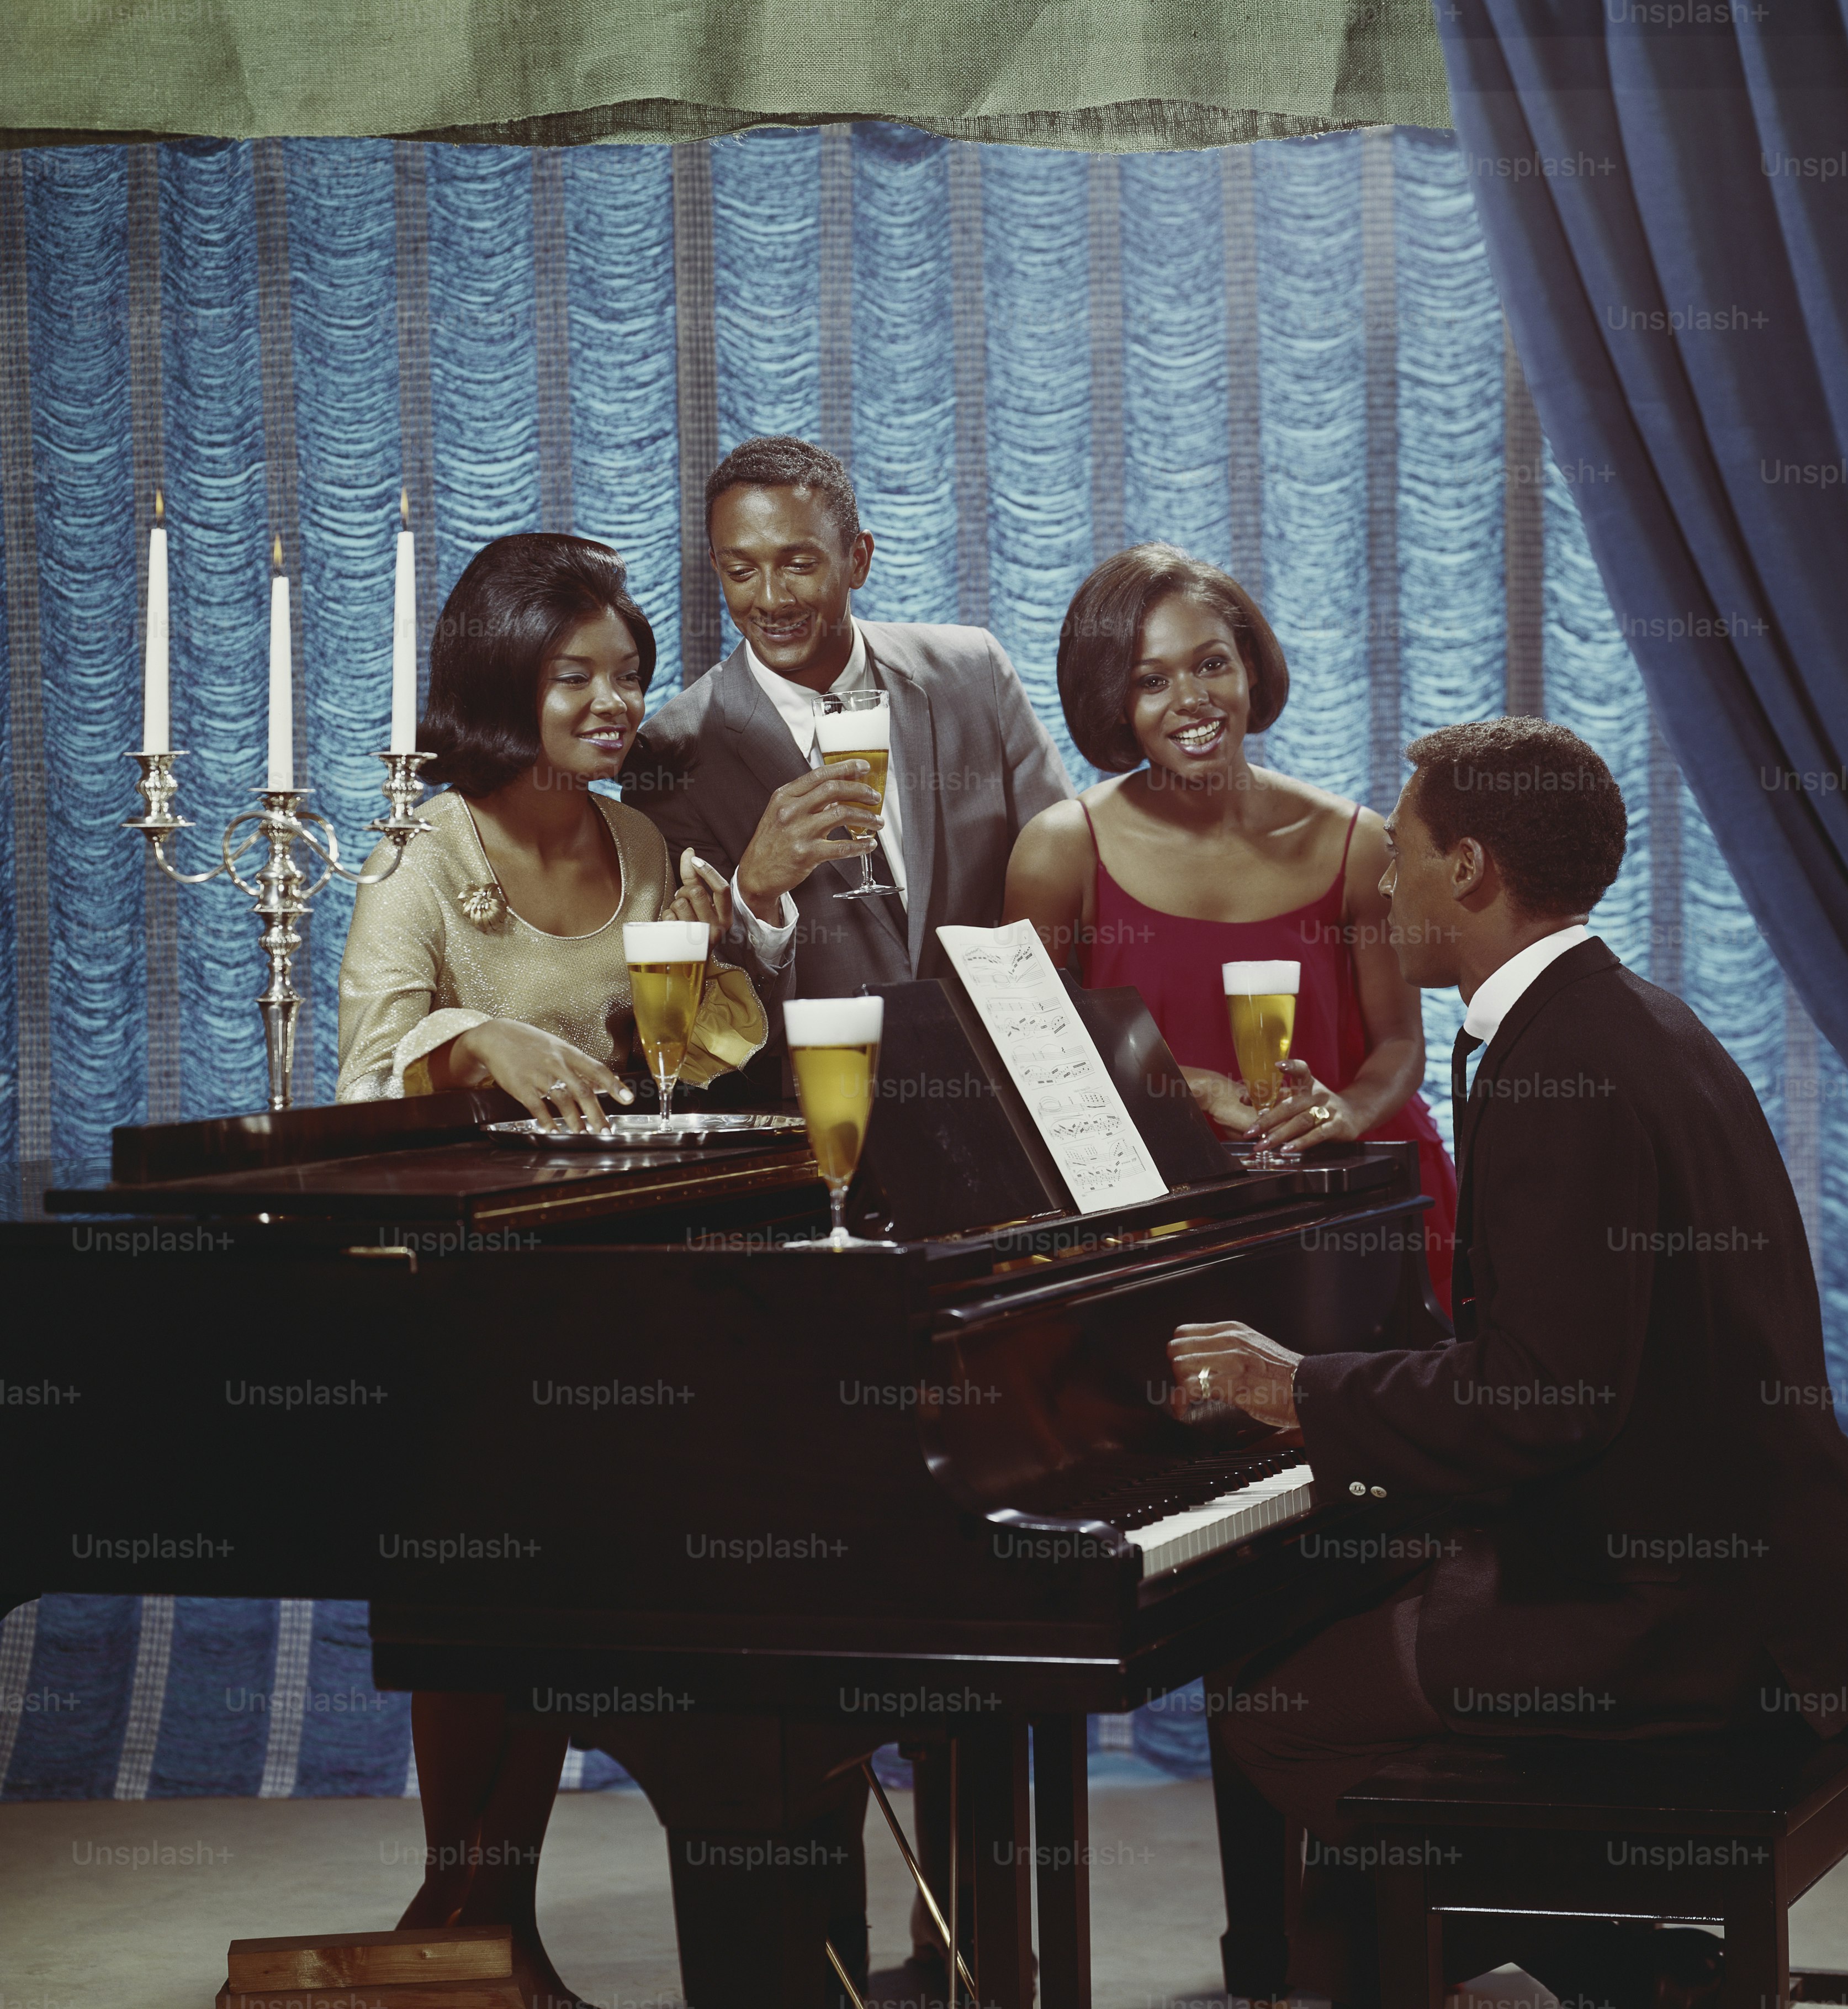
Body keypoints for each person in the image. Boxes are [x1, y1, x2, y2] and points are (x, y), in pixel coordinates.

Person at [1163, 717, 1848, 2009]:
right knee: (1334, 1640)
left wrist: (1297, 1387)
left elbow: (1541, 1396)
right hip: (1731, 1566)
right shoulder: (1622, 1018)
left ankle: (1594, 1968)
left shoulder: (1567, 1063)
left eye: (1398, 856)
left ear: (1467, 869)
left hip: (1684, 1618)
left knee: (1272, 1706)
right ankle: (1519, 1962)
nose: (1380, 886)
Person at [337, 532, 766, 2009]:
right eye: (574, 674)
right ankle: (474, 1923)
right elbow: (361, 1072)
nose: (611, 702)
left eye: (626, 674)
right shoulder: (422, 854)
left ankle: (466, 1932)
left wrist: (712, 968)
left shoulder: (640, 845)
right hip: (463, 1305)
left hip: (621, 1294)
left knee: (558, 1601)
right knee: (482, 1597)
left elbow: (691, 1071)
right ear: (501, 683)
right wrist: (473, 1041)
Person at [1002, 542, 1454, 1315]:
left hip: (1352, 1203)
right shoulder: (1060, 850)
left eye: (1211, 664)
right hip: (1153, 1224)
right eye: (1151, 680)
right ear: (1114, 700)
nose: (1192, 700)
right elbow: (1027, 1055)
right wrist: (1194, 1087)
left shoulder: (1352, 842)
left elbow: (1399, 1045)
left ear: (1249, 667)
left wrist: (1346, 1110)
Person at [624, 435, 1073, 1098]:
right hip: (817, 1117)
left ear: (858, 558)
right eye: (740, 571)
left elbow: (1067, 883)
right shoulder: (674, 752)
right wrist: (754, 893)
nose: (770, 598)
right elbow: (702, 1029)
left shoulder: (973, 674)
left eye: (799, 564)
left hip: (1006, 1095)